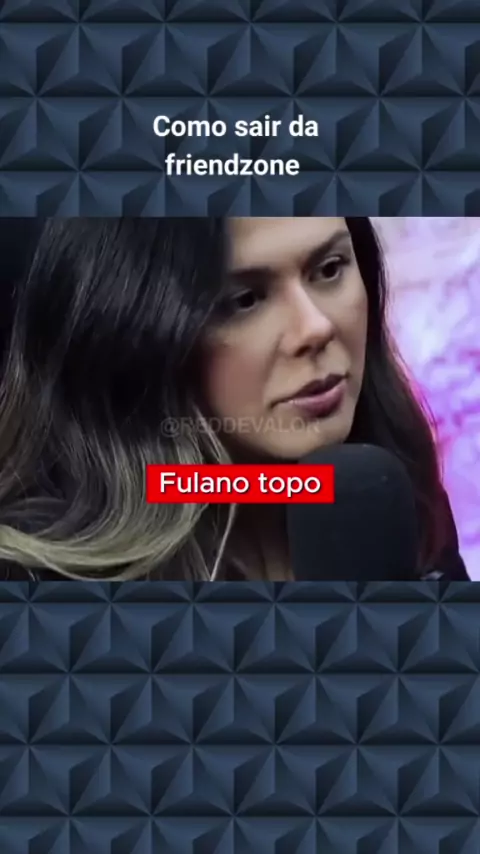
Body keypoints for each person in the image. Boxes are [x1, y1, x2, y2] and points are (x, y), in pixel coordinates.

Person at [0, 217, 469, 582]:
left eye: (329, 269)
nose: (316, 327)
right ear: (133, 335)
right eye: (244, 299)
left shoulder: (390, 495)